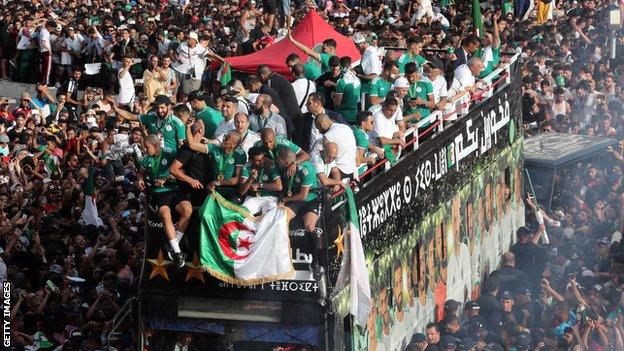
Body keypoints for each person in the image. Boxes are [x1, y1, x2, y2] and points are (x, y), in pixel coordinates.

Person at [137, 134, 192, 268]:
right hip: (158, 193)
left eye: (147, 147)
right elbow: (140, 173)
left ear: (156, 146)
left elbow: (181, 169)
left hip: (174, 189)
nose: (145, 150)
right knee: (165, 214)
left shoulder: (171, 153)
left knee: (188, 209)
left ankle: (173, 245)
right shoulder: (145, 160)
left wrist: (166, 177)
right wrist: (139, 180)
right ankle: (178, 253)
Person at [110, 94, 186, 157]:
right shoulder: (150, 118)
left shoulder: (178, 123)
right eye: (157, 108)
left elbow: (182, 146)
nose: (159, 111)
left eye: (162, 108)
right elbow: (131, 116)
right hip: (154, 157)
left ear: (169, 107)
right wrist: (116, 109)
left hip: (169, 158)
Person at [185, 129, 246, 198]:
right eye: (225, 136)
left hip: (230, 189)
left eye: (227, 138)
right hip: (213, 188)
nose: (224, 139)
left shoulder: (240, 154)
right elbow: (192, 145)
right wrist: (188, 127)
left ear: (234, 145)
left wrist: (217, 183)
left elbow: (237, 179)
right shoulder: (215, 148)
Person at [169, 119, 213, 206]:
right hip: (193, 191)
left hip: (206, 190)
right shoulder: (187, 149)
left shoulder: (203, 146)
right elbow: (173, 169)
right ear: (200, 130)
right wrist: (191, 181)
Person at [313, 113, 357, 179]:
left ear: (321, 124)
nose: (319, 131)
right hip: (352, 170)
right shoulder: (346, 127)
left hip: (338, 172)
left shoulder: (327, 137)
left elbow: (327, 159)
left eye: (318, 128)